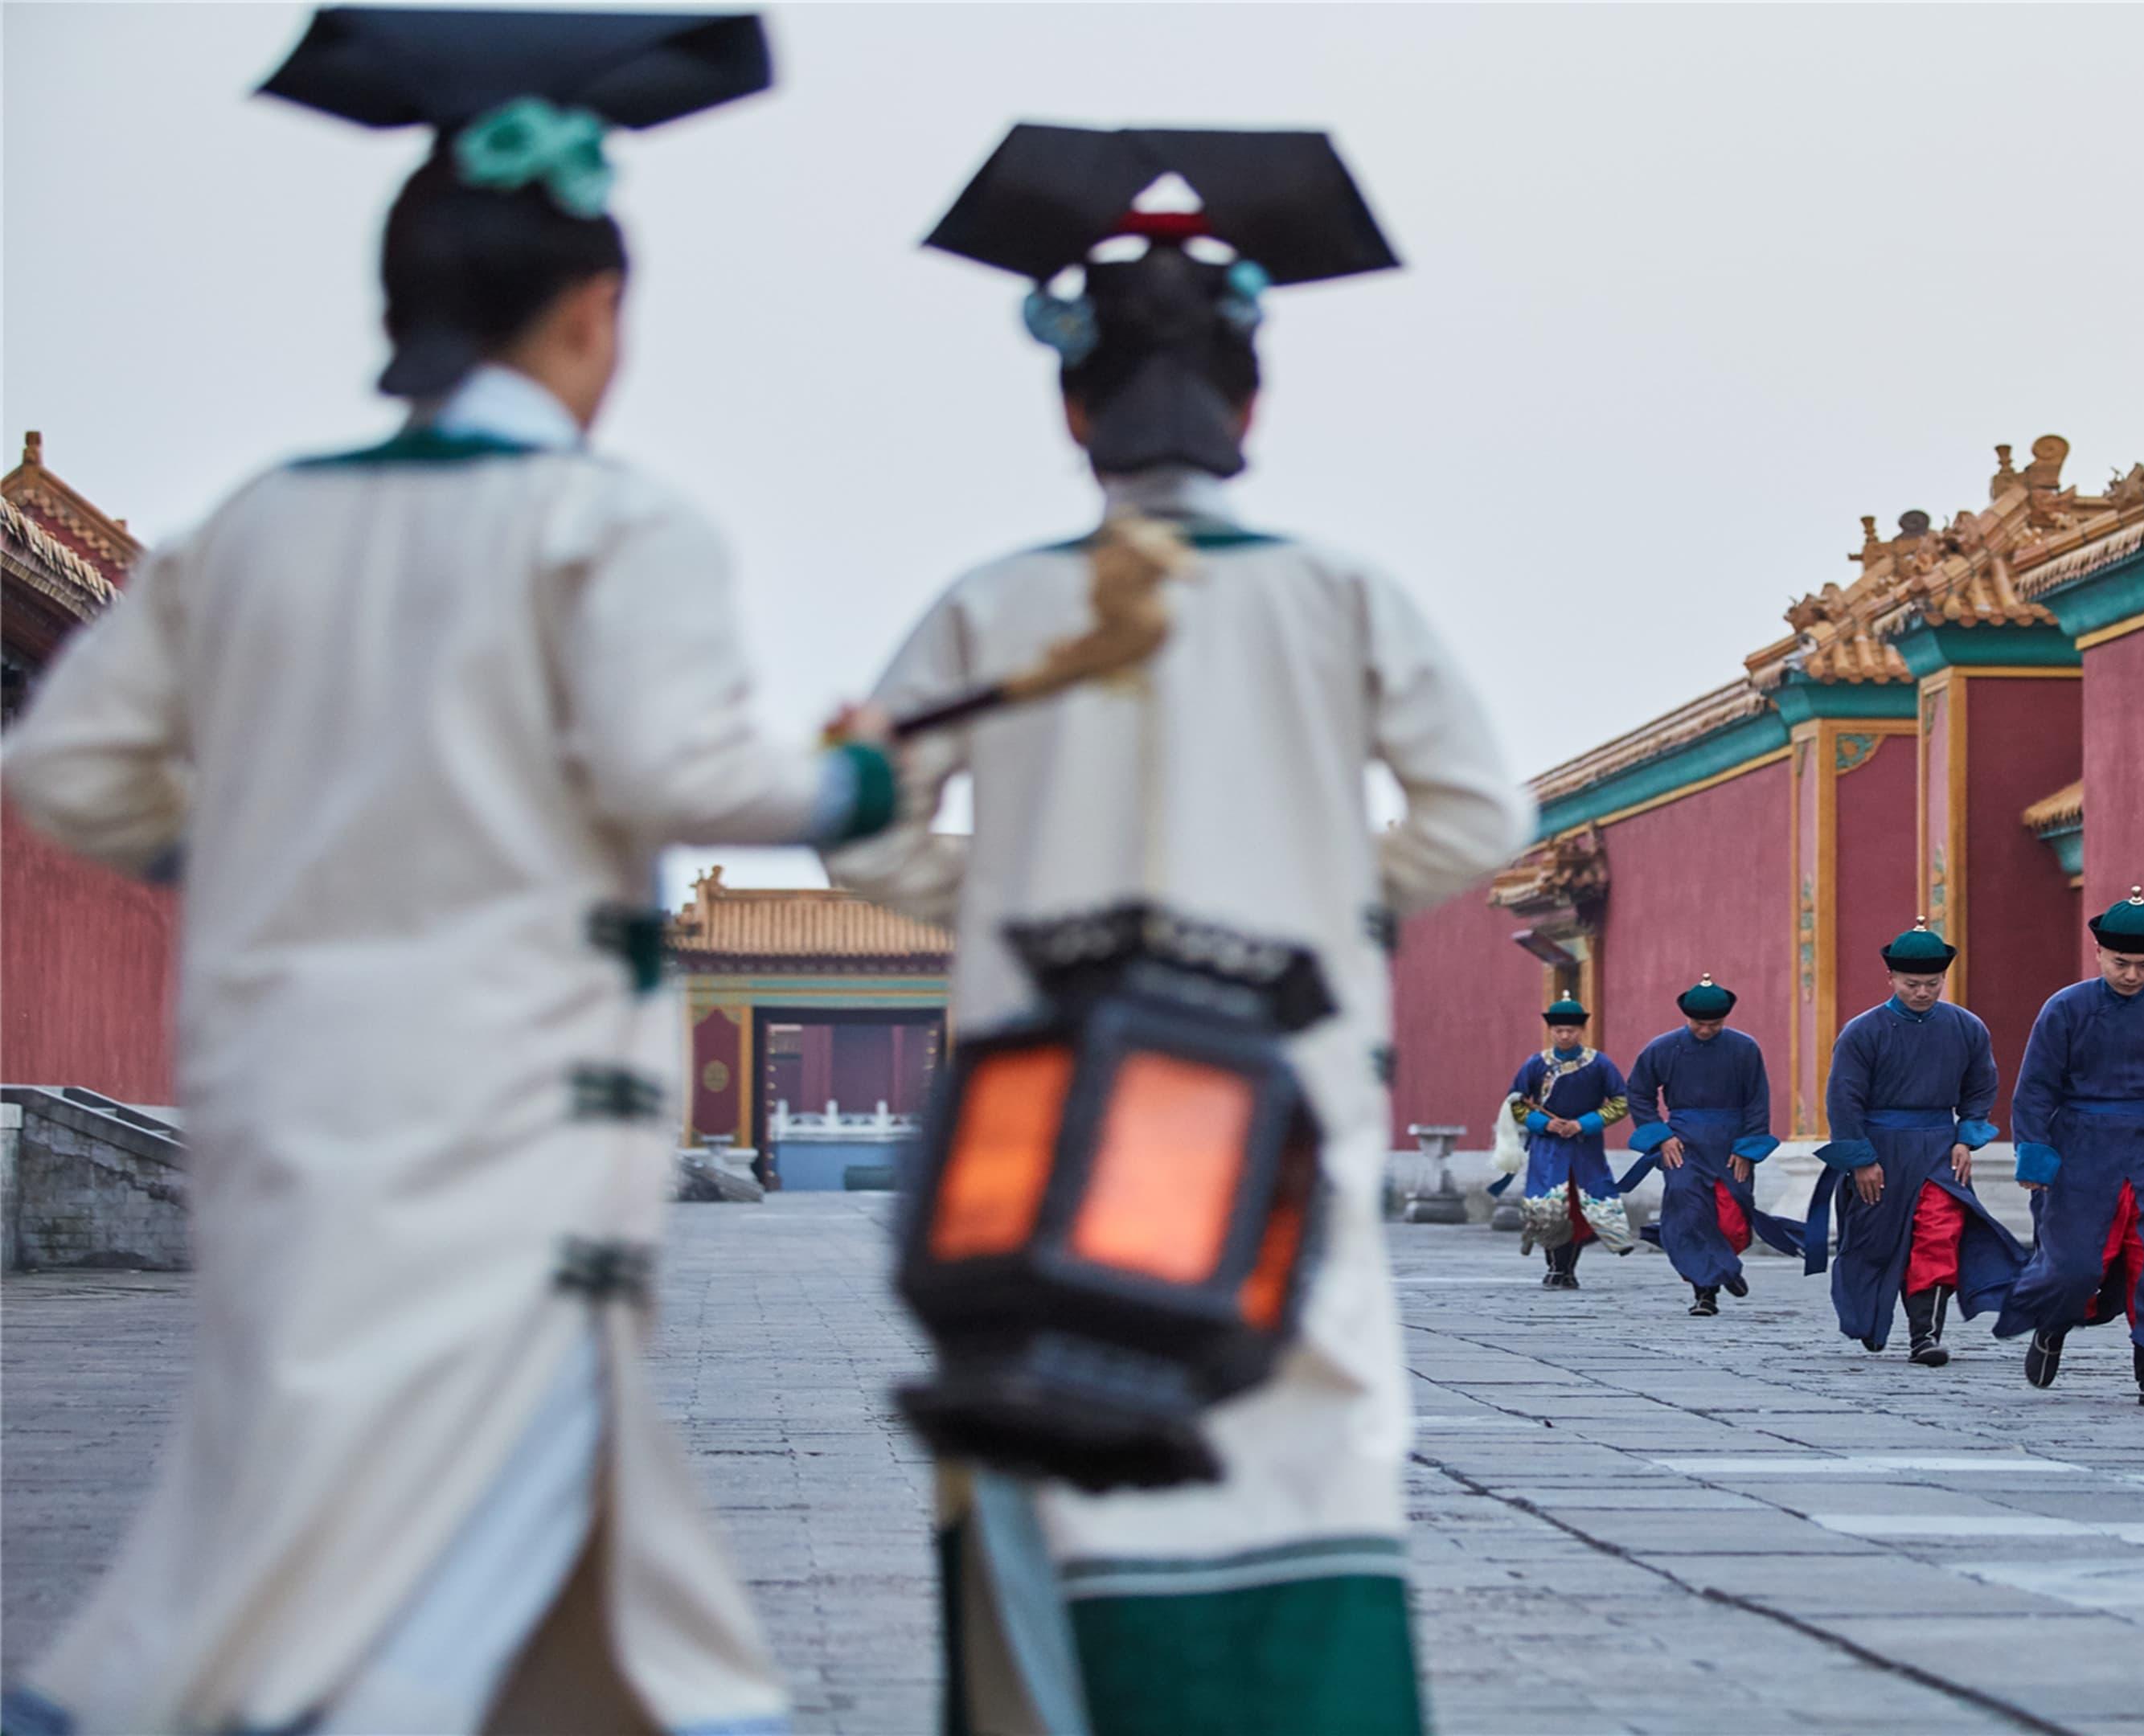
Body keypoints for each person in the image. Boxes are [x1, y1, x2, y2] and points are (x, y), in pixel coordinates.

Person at [0, 13, 882, 1733]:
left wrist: (266, 847)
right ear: (590, 311)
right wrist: (855, 771)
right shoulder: (618, 527)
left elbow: (64, 767)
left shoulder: (257, 522)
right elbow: (684, 774)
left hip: (291, 1071)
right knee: (479, 1448)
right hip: (519, 1086)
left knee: (321, 1413)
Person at [823, 124, 1527, 1734]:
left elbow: (861, 812)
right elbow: (1481, 816)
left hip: (1036, 1094)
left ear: (1071, 406)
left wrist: (994, 902)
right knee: (1296, 1434)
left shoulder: (996, 603)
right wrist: (1315, 910)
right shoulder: (1343, 595)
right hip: (1277, 1086)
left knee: (1037, 1423)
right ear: (1251, 403)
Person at [1991, 888, 2144, 1408]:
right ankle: (2051, 1328)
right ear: (2100, 953)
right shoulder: (2065, 1009)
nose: (2131, 975)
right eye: (2121, 963)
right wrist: (2034, 1153)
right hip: (2078, 1150)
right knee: (2074, 1265)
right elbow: (2036, 1086)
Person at [1807, 923, 2028, 1368]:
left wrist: (1968, 1136)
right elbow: (1844, 1097)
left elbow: (1981, 1087)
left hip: (1937, 1150)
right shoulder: (1862, 1032)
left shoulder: (1967, 1028)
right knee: (1876, 1242)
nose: (1923, 992)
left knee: (1939, 1235)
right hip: (1880, 1150)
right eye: (1912, 984)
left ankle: (1924, 1335)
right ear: (1890, 978)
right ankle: (1869, 1318)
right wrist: (1861, 1159)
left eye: (1932, 984)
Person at [1621, 975, 1804, 1315]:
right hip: (1682, 1144)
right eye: (1699, 1024)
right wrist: (1661, 1137)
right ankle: (1705, 1293)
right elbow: (1639, 1093)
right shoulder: (1663, 1048)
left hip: (1731, 1143)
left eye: (1714, 1024)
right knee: (1689, 1214)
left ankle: (1724, 1264)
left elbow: (1757, 1101)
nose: (1706, 1030)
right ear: (1686, 1018)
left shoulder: (1744, 1048)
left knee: (1731, 1217)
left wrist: (1748, 1149)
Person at [1505, 997, 1637, 1288]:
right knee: (1548, 1207)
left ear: (1582, 1031)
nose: (1565, 1036)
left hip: (1584, 1147)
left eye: (1571, 1031)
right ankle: (1554, 1266)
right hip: (1547, 1149)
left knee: (1579, 1208)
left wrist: (1583, 1123)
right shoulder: (1535, 1064)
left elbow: (1622, 1101)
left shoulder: (1599, 1064)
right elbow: (1516, 1103)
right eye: (1560, 1031)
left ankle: (1568, 1268)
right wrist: (1545, 1123)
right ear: (1551, 1031)